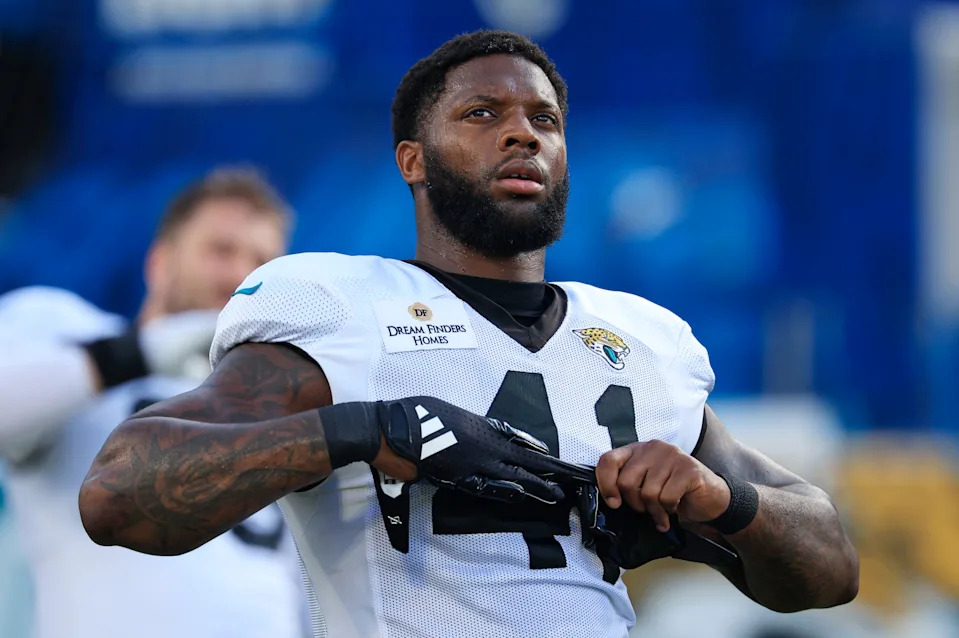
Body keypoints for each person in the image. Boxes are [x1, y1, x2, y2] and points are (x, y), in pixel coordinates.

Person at [78, 32, 859, 638]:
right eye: (482, 114)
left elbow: (828, 572)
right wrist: (365, 429)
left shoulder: (639, 337)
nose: (521, 135)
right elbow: (117, 495)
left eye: (542, 119)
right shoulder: (340, 306)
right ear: (412, 161)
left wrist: (722, 501)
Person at [0, 168, 307, 638]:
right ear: (159, 263)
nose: (240, 275)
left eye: (262, 261)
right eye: (220, 250)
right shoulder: (67, 326)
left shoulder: (283, 403)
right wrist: (136, 353)